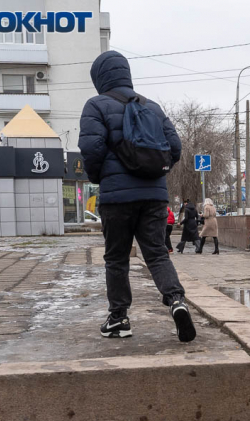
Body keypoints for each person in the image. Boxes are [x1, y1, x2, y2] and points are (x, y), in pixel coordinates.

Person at [78, 50, 195, 342]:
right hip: (154, 197)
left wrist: (100, 176)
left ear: (100, 77)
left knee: (117, 259)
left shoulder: (96, 105)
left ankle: (119, 319)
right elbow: (175, 148)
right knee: (156, 253)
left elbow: (91, 149)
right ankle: (176, 300)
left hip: (116, 198)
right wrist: (153, 172)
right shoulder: (152, 107)